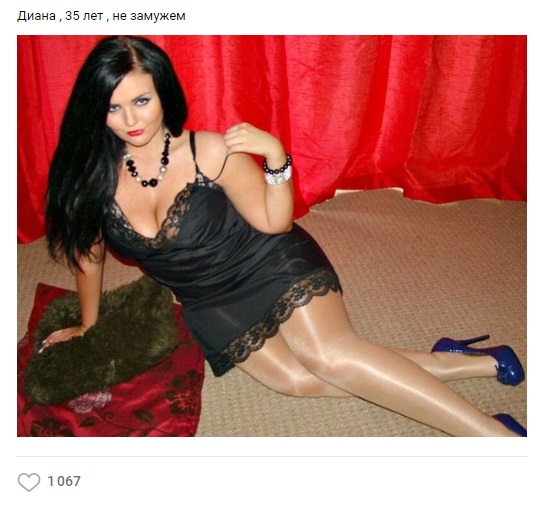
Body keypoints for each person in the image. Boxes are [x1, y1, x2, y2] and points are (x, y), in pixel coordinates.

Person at [43, 36, 526, 437]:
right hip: (207, 298)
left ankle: (493, 435)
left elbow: (274, 223)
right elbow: (89, 256)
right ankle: (467, 360)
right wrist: (89, 324)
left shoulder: (210, 151)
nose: (131, 121)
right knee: (296, 379)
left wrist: (276, 156)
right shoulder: (90, 178)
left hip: (268, 260)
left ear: (163, 94)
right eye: (114, 107)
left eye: (142, 101)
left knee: (329, 357)